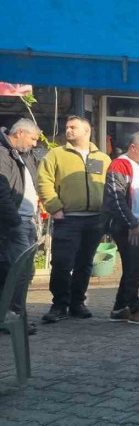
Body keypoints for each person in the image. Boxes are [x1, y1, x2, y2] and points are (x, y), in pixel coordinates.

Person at [37, 116, 111, 323]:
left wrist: (107, 212)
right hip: (68, 218)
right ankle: (59, 304)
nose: (68, 130)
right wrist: (55, 208)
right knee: (61, 262)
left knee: (85, 263)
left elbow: (110, 186)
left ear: (87, 131)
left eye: (73, 127)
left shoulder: (103, 158)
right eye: (67, 127)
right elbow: (44, 181)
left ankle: (77, 302)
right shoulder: (56, 154)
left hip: (95, 220)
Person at [103, 131, 139, 325]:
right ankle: (134, 308)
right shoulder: (120, 164)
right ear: (133, 147)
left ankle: (120, 308)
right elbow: (115, 198)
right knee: (134, 269)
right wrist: (132, 223)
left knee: (133, 268)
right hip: (131, 227)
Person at [0, 118, 42, 335]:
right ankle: (14, 318)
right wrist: (15, 221)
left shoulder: (22, 154)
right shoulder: (3, 154)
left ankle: (9, 315)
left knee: (16, 271)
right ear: (20, 133)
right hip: (15, 222)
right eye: (33, 139)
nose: (35, 144)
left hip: (26, 221)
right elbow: (2, 193)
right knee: (21, 271)